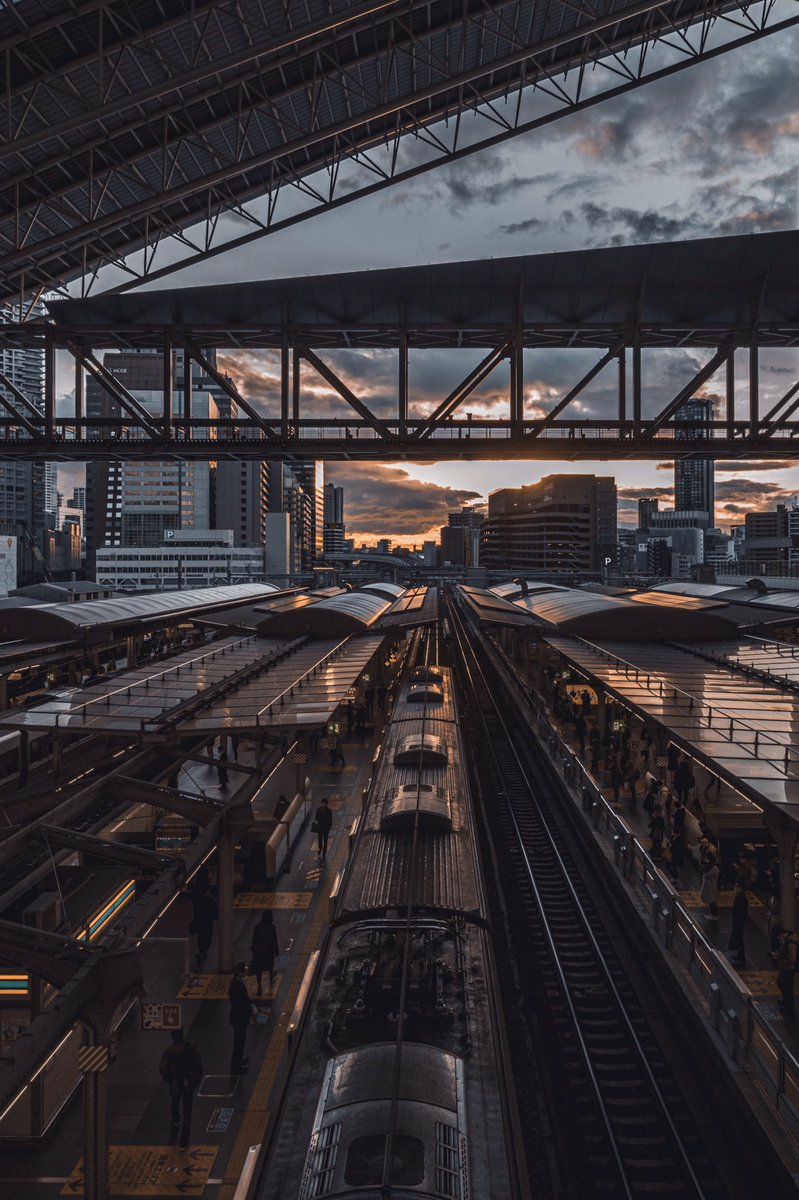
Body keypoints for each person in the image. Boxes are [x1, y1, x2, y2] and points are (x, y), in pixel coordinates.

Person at [159, 1029, 203, 1149]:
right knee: (187, 1112)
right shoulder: (191, 1047)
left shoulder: (169, 1051)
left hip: (175, 1083)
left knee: (175, 1100)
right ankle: (183, 1141)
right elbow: (198, 1064)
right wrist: (196, 1078)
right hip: (188, 1082)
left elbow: (163, 1068)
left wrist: (169, 1080)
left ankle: (175, 1118)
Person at [229, 962, 253, 1074]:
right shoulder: (235, 986)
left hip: (240, 1017)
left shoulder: (237, 983)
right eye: (244, 970)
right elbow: (239, 1002)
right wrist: (249, 1007)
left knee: (241, 1041)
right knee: (238, 1042)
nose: (245, 971)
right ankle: (236, 1066)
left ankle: (239, 1060)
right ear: (239, 973)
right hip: (239, 1018)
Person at [250, 910, 280, 996]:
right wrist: (276, 950)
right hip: (268, 951)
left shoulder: (257, 927)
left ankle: (259, 984)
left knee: (259, 968)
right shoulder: (271, 927)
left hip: (258, 952)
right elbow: (274, 940)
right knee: (270, 965)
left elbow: (254, 939)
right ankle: (271, 977)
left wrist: (253, 948)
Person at [189, 887, 218, 970]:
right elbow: (216, 914)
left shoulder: (197, 901)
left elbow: (195, 914)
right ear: (207, 891)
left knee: (200, 939)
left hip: (199, 924)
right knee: (208, 939)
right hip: (208, 924)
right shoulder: (211, 901)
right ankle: (203, 953)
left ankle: (202, 953)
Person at [775, 927, 798, 1017]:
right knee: (780, 982)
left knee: (788, 988)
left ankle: (789, 1008)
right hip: (785, 968)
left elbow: (792, 959)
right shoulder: (787, 941)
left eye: (778, 937)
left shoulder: (791, 944)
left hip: (789, 969)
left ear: (781, 934)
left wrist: (780, 959)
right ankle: (786, 1001)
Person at [728, 883, 749, 969]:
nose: (735, 889)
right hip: (738, 921)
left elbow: (741, 912)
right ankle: (738, 956)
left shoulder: (742, 899)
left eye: (737, 887)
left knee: (739, 939)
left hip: (739, 922)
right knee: (738, 939)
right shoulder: (739, 897)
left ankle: (741, 959)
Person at [700, 849, 719, 923]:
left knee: (712, 900)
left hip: (711, 884)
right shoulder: (709, 865)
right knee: (710, 899)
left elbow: (709, 875)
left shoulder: (714, 867)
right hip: (708, 884)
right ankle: (711, 913)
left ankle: (714, 914)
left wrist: (704, 874)